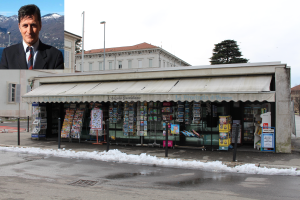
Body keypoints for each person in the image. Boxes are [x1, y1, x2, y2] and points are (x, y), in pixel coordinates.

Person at [0, 4, 63, 69]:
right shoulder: (8, 54)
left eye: (33, 25)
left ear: (40, 25)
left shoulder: (55, 56)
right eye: (25, 25)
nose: (29, 31)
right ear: (19, 27)